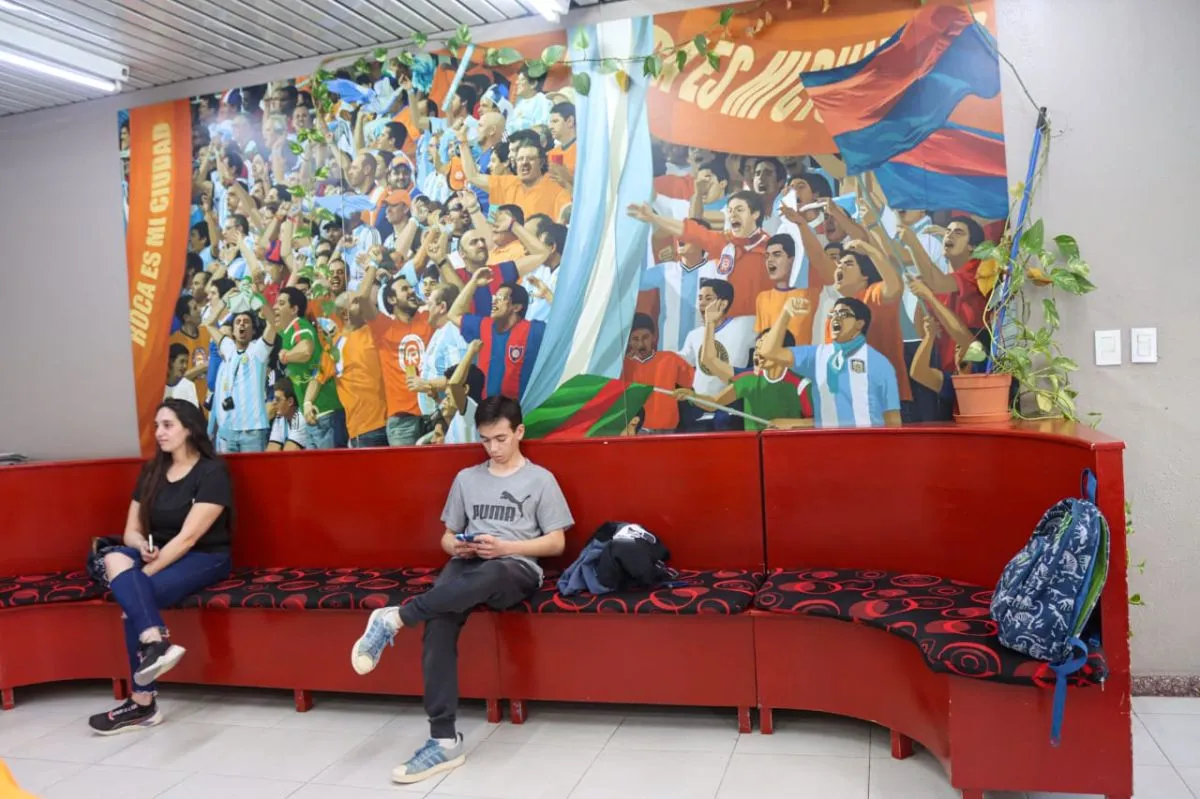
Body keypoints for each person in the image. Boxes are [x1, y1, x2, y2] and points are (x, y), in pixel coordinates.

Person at [349, 396, 573, 784]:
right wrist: (458, 547)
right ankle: (444, 740)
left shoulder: (541, 480)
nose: (493, 448)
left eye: (500, 439)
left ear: (519, 432)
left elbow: (557, 543)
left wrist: (505, 547)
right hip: (469, 562)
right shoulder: (467, 479)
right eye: (485, 440)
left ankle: (396, 618)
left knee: (491, 573)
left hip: (514, 567)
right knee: (438, 621)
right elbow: (447, 537)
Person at [88, 399, 234, 735]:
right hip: (157, 553)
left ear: (189, 429)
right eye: (157, 426)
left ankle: (142, 703)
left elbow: (188, 539)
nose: (159, 433)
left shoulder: (212, 472)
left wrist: (140, 576)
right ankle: (155, 641)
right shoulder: (151, 471)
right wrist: (142, 546)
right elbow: (131, 530)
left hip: (204, 556)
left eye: (167, 425)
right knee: (112, 556)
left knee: (136, 598)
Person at [760, 296, 901, 428]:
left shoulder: (879, 363)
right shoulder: (816, 355)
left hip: (866, 442)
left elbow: (892, 419)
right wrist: (786, 313)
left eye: (843, 314)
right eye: (833, 314)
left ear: (859, 324)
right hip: (826, 442)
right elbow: (769, 352)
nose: (835, 318)